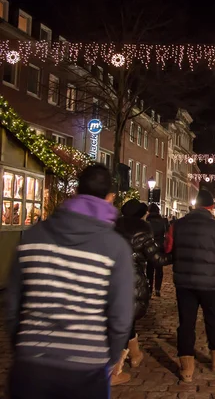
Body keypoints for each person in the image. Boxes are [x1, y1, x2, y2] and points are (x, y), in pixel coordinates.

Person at [5, 164, 134, 398]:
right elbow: (121, 317)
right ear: (109, 198)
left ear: (76, 191)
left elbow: (13, 302)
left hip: (31, 365)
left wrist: (24, 344)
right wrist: (110, 357)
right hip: (85, 368)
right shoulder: (115, 248)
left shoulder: (34, 235)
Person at [165, 189, 215, 382]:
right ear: (212, 207)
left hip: (184, 282)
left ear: (195, 205)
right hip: (210, 283)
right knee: (213, 319)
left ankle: (186, 368)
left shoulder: (177, 225)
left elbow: (167, 248)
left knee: (186, 323)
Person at [114, 199, 171, 385]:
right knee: (125, 320)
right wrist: (177, 254)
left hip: (111, 278)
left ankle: (135, 354)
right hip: (131, 280)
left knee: (122, 318)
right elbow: (157, 259)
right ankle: (116, 370)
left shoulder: (112, 226)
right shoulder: (142, 229)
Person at [146, 203, 169, 297]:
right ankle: (158, 289)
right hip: (160, 246)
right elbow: (167, 233)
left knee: (149, 269)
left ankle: (150, 288)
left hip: (149, 246)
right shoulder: (163, 221)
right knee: (159, 268)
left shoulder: (147, 222)